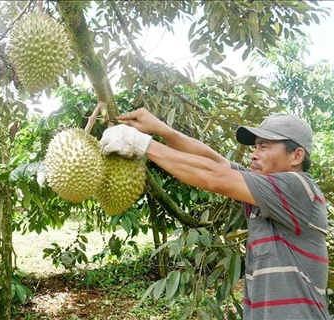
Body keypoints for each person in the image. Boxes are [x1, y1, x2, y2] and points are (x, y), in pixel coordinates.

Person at [100, 108, 329, 320]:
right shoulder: (263, 190)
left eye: (264, 147)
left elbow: (215, 177)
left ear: (296, 156)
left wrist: (142, 144)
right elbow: (213, 161)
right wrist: (160, 128)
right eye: (255, 147)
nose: (254, 155)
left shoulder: (297, 188)